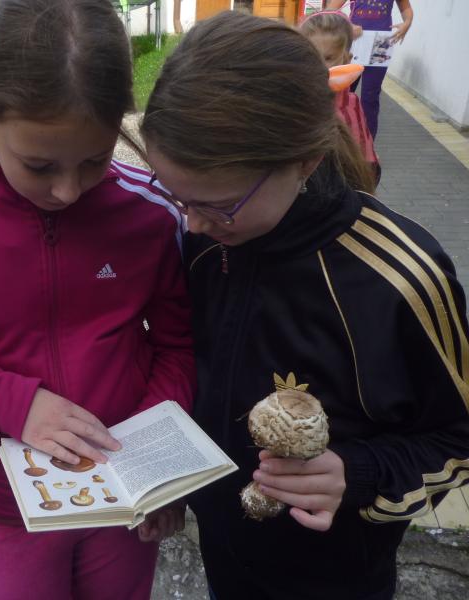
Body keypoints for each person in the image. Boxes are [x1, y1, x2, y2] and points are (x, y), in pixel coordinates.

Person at [0, 0, 195, 597]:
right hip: (6, 509)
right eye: (39, 165)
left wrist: (158, 466)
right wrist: (6, 401)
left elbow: (181, 345)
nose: (68, 190)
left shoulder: (151, 210)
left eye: (95, 161)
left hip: (125, 498)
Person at [141, 11, 469, 600]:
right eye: (176, 196)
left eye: (216, 205)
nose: (191, 223)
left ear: (305, 161)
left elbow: (458, 439)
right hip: (223, 551)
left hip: (335, 576)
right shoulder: (206, 237)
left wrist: (359, 475)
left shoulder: (399, 278)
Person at [300, 10, 380, 180]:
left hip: (345, 182)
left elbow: (364, 152)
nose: (320, 65)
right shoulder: (295, 100)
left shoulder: (351, 104)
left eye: (329, 58)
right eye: (311, 55)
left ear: (346, 59)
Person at [325, 0, 414, 139]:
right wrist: (347, 26)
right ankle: (337, 138)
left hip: (381, 43)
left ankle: (368, 142)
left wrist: (407, 23)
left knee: (371, 97)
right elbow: (330, 10)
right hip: (355, 42)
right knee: (343, 92)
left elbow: (406, 9)